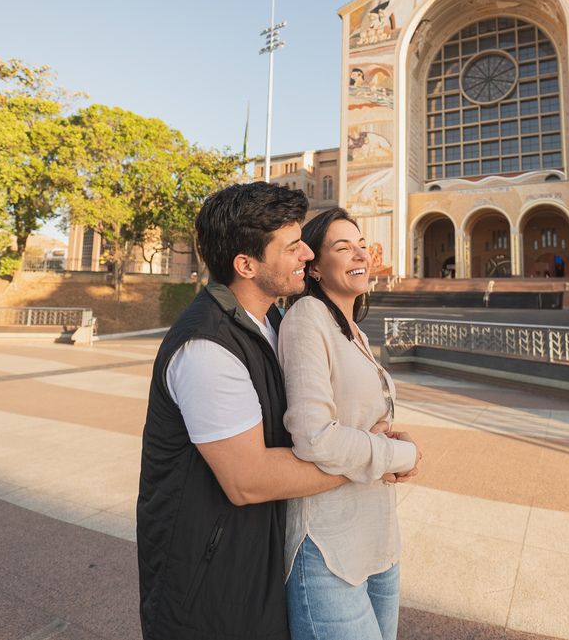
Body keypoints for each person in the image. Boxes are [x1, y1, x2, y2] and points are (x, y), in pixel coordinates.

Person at [137, 182, 350, 640]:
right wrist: (367, 463)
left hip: (257, 567)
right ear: (246, 265)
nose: (307, 256)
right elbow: (248, 479)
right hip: (207, 591)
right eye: (293, 247)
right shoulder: (206, 347)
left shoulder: (273, 321)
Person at [278, 207, 421, 640]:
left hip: (377, 536)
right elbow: (314, 437)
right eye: (342, 247)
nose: (359, 253)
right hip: (327, 548)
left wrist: (390, 436)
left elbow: (359, 421)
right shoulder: (306, 318)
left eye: (362, 244)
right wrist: (401, 453)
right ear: (315, 265)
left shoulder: (353, 330)